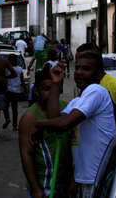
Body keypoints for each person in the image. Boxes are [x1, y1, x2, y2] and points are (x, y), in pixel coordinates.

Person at [32, 51, 116, 198]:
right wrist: (56, 83)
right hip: (86, 179)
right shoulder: (78, 101)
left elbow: (64, 124)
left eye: (86, 69)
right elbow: (55, 119)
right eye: (77, 68)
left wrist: (38, 125)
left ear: (98, 74)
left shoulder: (96, 91)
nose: (79, 72)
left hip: (98, 179)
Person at [19, 68, 72, 198]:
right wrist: (36, 188)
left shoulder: (67, 108)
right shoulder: (30, 117)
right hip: (44, 186)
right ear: (36, 91)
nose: (51, 93)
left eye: (55, 87)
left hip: (65, 185)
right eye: (47, 89)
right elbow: (26, 154)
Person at [3, 53, 25, 131]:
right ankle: (15, 126)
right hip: (17, 91)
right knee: (14, 109)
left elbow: (4, 80)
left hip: (8, 90)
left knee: (5, 106)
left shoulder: (6, 69)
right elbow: (22, 80)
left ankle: (7, 118)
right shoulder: (19, 69)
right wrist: (24, 90)